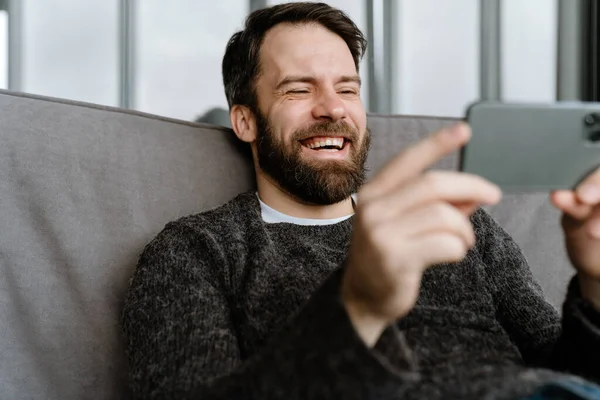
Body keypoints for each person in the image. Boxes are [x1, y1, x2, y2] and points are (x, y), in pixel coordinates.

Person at [121, 2, 600, 399]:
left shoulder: (455, 223)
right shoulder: (197, 251)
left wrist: (596, 288)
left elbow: (572, 373)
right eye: (299, 89)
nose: (333, 108)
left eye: (347, 88)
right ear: (245, 121)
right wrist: (358, 308)